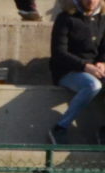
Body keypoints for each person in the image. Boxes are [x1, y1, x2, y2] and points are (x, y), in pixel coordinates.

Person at [48, 0, 105, 145]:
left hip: (94, 69)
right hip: (68, 70)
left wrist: (102, 62)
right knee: (93, 85)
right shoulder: (66, 18)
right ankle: (60, 127)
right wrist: (85, 66)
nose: (91, 1)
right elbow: (59, 52)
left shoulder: (103, 18)